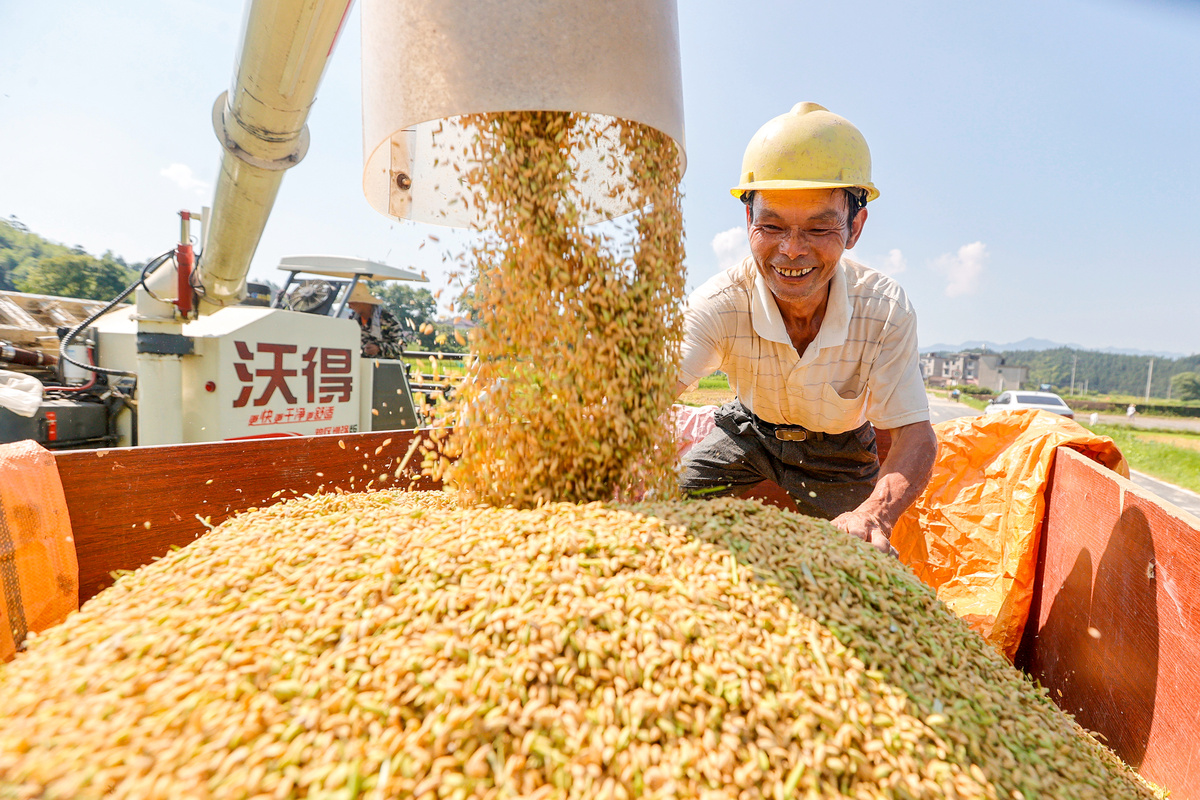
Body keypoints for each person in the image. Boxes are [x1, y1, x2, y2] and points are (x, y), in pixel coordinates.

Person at [675, 102, 937, 555]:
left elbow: (915, 433)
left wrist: (873, 515)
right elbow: (647, 393)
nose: (792, 250)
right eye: (772, 226)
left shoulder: (884, 309)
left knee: (858, 558)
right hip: (748, 434)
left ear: (855, 227)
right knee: (671, 511)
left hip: (840, 454)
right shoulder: (719, 303)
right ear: (749, 222)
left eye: (818, 229)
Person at [346, 283, 404, 359]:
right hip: (359, 363)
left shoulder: (388, 319)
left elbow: (401, 346)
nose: (349, 307)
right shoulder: (352, 319)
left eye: (351, 303)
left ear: (362, 302)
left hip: (385, 364)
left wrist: (379, 348)